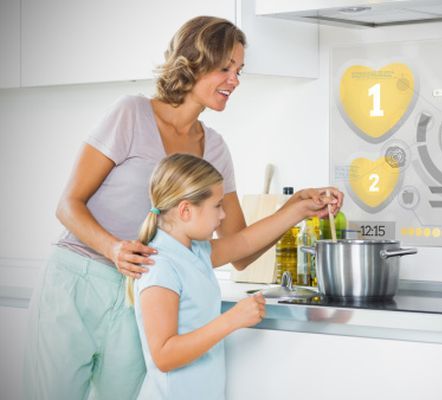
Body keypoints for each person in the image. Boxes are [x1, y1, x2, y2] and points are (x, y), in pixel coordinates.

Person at [23, 15, 343, 400]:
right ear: (193, 62)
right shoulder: (130, 114)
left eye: (238, 70)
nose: (235, 80)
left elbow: (235, 248)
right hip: (79, 280)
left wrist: (294, 209)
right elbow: (68, 204)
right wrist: (114, 248)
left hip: (140, 293)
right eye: (225, 68)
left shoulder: (216, 149)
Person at [129, 153, 336, 399]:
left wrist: (301, 208)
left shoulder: (195, 251)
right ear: (185, 211)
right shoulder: (159, 265)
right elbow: (164, 355)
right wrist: (232, 319)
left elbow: (245, 241)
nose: (223, 216)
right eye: (217, 206)